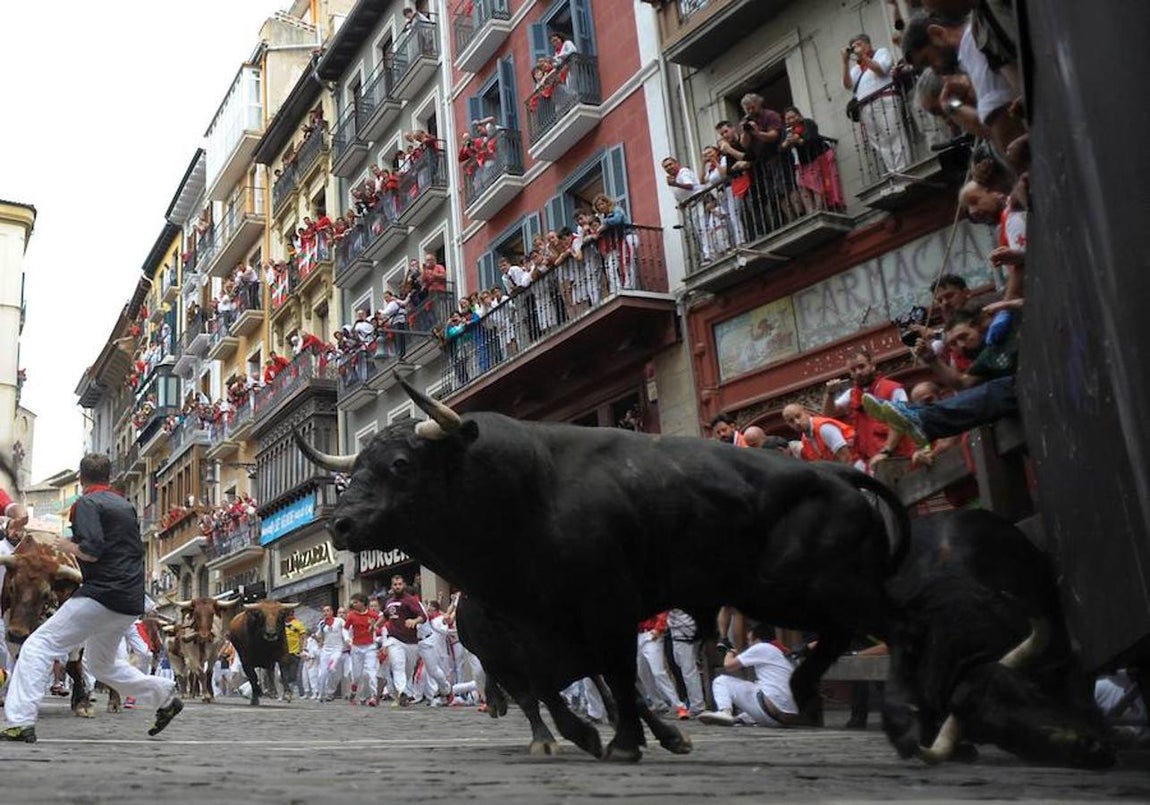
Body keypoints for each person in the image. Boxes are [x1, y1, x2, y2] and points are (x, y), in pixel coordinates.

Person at [1, 454, 182, 743]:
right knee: (101, 665)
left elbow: (92, 549)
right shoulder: (124, 504)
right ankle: (165, 695)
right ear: (108, 477)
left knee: (37, 646)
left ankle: (19, 722)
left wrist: (66, 545)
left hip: (103, 593)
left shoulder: (85, 503)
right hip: (129, 600)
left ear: (81, 479)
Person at [863, 301, 1023, 447]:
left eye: (964, 337)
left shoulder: (1009, 326)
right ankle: (921, 419)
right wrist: (931, 359)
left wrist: (1007, 304)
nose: (960, 345)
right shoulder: (987, 356)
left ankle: (922, 418)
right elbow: (962, 383)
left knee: (996, 391)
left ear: (981, 325)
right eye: (953, 343)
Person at [821, 348, 915, 470]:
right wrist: (830, 394)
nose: (858, 372)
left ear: (872, 366)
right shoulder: (851, 394)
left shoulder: (893, 389)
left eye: (861, 367)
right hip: (868, 462)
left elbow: (901, 422)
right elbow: (828, 413)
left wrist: (885, 452)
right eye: (853, 370)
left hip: (897, 458)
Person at [697, 622, 799, 727]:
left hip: (770, 711)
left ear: (757, 639)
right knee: (759, 685)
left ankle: (724, 712)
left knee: (721, 681)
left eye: (750, 640)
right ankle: (742, 719)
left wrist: (730, 652)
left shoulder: (761, 647)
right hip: (786, 719)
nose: (749, 644)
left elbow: (728, 666)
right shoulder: (780, 652)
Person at [843, 32, 910, 175]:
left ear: (868, 45)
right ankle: (893, 171)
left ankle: (903, 169)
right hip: (865, 107)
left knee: (893, 134)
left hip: (884, 100)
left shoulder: (881, 52)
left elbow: (880, 70)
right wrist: (844, 62)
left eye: (859, 45)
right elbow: (848, 85)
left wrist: (863, 57)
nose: (855, 48)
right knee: (880, 142)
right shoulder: (856, 69)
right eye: (853, 47)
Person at [383, 574, 426, 705]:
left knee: (408, 669)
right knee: (398, 665)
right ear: (392, 586)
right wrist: (375, 625)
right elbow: (385, 615)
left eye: (399, 584)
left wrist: (414, 620)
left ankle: (403, 691)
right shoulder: (389, 602)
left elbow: (422, 616)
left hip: (411, 641)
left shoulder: (410, 600)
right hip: (394, 639)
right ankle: (402, 691)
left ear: (404, 585)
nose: (397, 587)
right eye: (395, 585)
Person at [782, 404, 861, 468]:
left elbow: (846, 458)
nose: (797, 422)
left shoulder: (823, 428)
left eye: (798, 416)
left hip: (858, 465)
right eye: (791, 421)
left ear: (806, 413)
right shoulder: (805, 439)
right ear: (788, 424)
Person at [345, 595, 380, 706]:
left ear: (362, 603)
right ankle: (354, 690)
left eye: (355, 602)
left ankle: (374, 696)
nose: (353, 605)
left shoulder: (373, 615)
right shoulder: (351, 616)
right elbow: (345, 629)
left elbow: (381, 627)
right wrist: (348, 640)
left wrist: (374, 627)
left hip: (370, 647)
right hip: (356, 647)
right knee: (357, 674)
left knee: (372, 671)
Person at [314, 604, 349, 702]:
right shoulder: (321, 624)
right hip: (326, 650)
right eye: (324, 611)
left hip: (337, 649)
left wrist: (347, 640)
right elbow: (319, 636)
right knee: (322, 674)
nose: (326, 613)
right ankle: (321, 694)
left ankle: (330, 691)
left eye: (328, 610)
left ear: (332, 612)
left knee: (332, 666)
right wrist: (316, 639)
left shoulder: (339, 621)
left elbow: (345, 631)